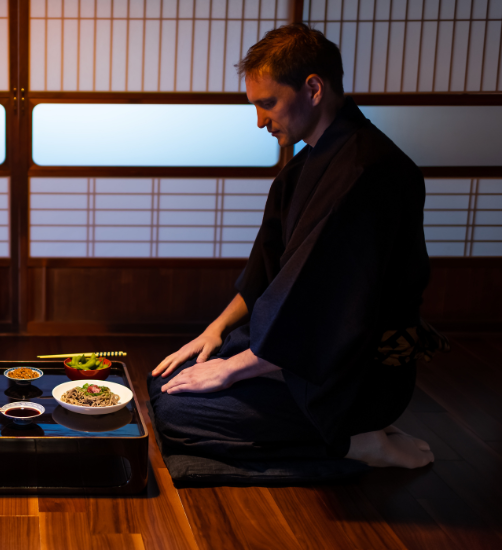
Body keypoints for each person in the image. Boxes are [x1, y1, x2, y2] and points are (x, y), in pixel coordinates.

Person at [148, 24, 442, 469]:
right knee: (166, 381)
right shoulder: (307, 163)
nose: (261, 121)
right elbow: (267, 270)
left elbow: (332, 313)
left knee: (175, 413)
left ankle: (353, 438)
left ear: (313, 88)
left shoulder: (369, 172)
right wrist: (214, 332)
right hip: (303, 352)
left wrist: (231, 368)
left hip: (356, 376)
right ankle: (353, 431)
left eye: (268, 104)